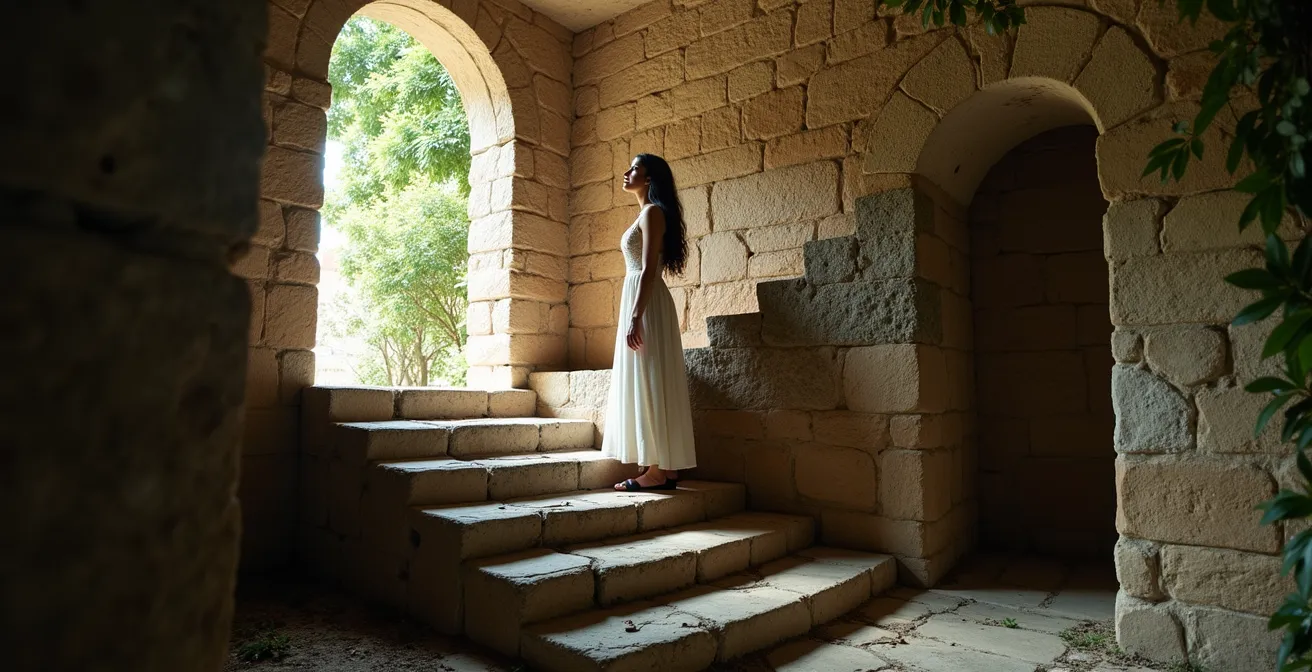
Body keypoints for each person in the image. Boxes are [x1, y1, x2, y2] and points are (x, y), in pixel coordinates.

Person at [602, 154, 697, 491]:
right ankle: (663, 468)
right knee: (648, 375)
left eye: (634, 169)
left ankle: (656, 471)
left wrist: (635, 317)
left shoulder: (652, 213)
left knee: (649, 377)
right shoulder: (646, 213)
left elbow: (648, 269)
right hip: (642, 300)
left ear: (650, 177)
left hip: (647, 302)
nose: (626, 172)